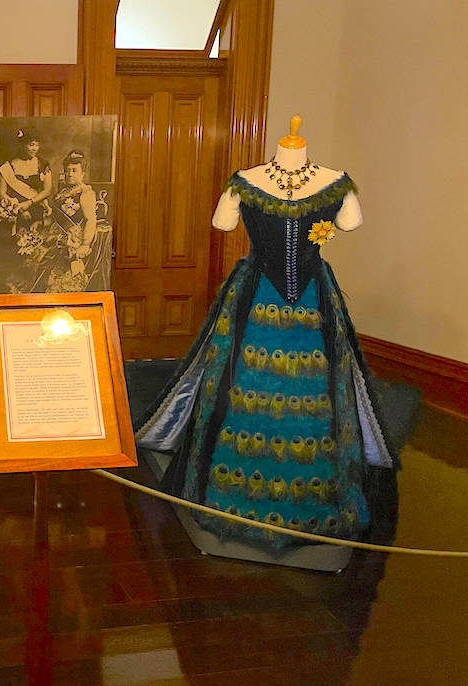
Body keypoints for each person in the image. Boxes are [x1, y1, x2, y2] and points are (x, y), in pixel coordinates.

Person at [135, 149, 395, 548]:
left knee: (316, 392)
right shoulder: (244, 182)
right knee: (233, 387)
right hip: (256, 300)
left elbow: (350, 221)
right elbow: (222, 223)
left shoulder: (335, 182)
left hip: (308, 303)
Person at [41, 150, 112, 292]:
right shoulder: (62, 192)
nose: (70, 174)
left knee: (64, 281)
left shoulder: (85, 193)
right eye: (67, 171)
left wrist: (85, 244)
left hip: (73, 240)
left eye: (74, 171)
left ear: (83, 173)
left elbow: (91, 220)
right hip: (55, 238)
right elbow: (54, 217)